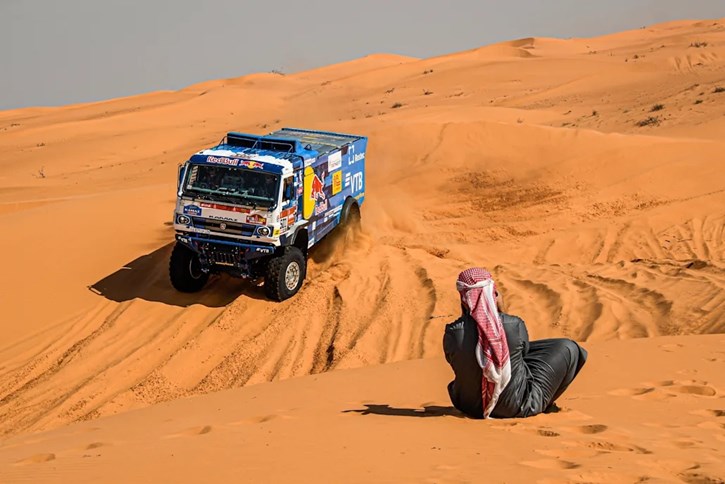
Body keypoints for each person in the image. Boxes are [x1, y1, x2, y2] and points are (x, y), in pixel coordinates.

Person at [443, 267, 587, 419]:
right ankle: (542, 403)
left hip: (468, 407)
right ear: (494, 293)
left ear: (463, 298)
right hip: (517, 407)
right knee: (569, 348)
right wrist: (500, 309)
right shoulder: (514, 325)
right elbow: (524, 354)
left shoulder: (452, 332)